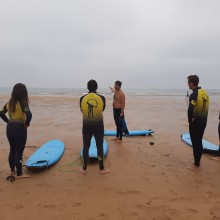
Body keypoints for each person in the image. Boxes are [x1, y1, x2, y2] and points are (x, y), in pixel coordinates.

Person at [0, 83, 32, 179]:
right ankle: (19, 173)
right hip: (20, 128)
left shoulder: (9, 103)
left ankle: (12, 170)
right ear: (23, 92)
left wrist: (8, 121)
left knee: (12, 149)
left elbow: (1, 113)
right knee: (19, 151)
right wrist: (27, 123)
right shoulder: (23, 103)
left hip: (9, 128)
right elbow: (29, 115)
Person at [79, 79, 110, 174]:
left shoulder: (82, 98)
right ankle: (101, 169)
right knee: (99, 147)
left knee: (86, 146)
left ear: (87, 87)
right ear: (97, 87)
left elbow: (82, 110)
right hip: (99, 126)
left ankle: (84, 169)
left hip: (86, 126)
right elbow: (102, 109)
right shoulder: (102, 97)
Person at [187, 75, 209, 170]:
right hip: (204, 121)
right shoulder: (205, 93)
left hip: (196, 122)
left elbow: (190, 109)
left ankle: (196, 163)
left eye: (188, 82)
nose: (187, 84)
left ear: (192, 83)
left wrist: (189, 120)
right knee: (199, 140)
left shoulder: (194, 94)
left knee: (195, 142)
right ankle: (197, 161)